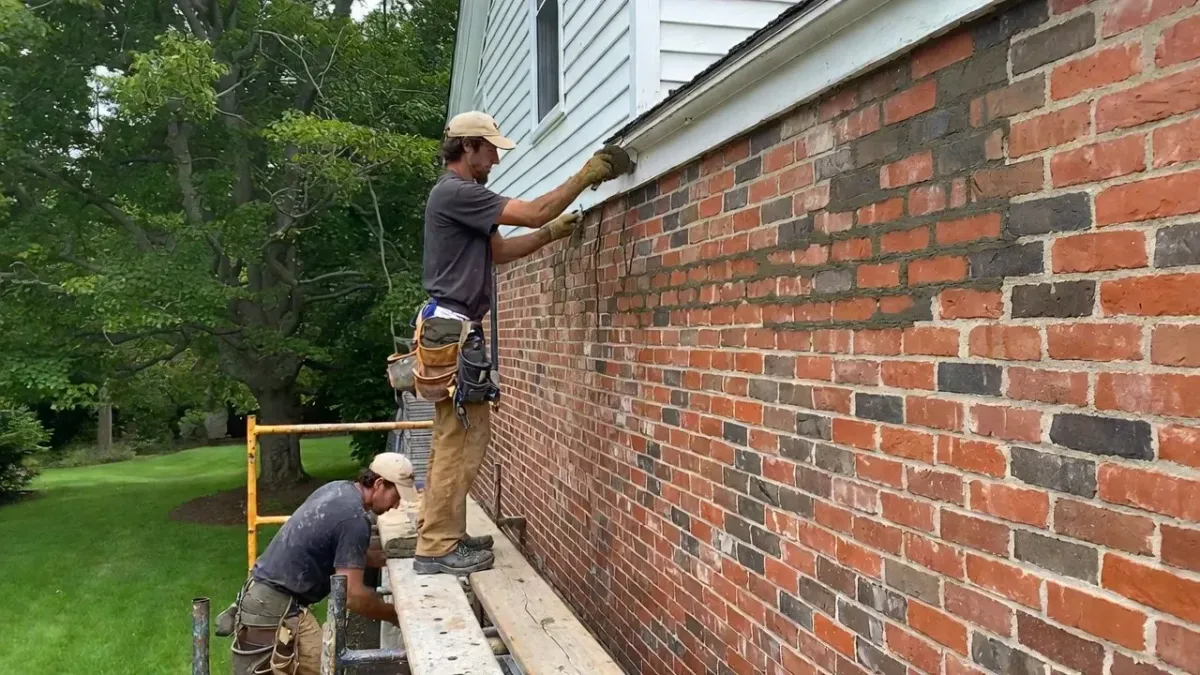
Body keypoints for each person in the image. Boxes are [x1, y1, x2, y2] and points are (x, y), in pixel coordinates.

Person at [413, 110, 627, 575]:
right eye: (490, 150)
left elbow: (501, 251)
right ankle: (436, 547)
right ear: (468, 147)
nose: (495, 159)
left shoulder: (463, 199)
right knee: (462, 438)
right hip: (454, 328)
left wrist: (550, 234)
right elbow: (532, 212)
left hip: (452, 327)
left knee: (458, 435)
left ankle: (441, 532)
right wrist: (585, 175)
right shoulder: (457, 192)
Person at [225, 452, 417, 675]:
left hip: (261, 596)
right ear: (379, 484)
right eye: (397, 496)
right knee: (325, 668)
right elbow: (353, 597)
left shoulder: (338, 489)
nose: (397, 505)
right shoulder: (354, 519)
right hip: (275, 609)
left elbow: (333, 546)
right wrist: (396, 615)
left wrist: (384, 557)